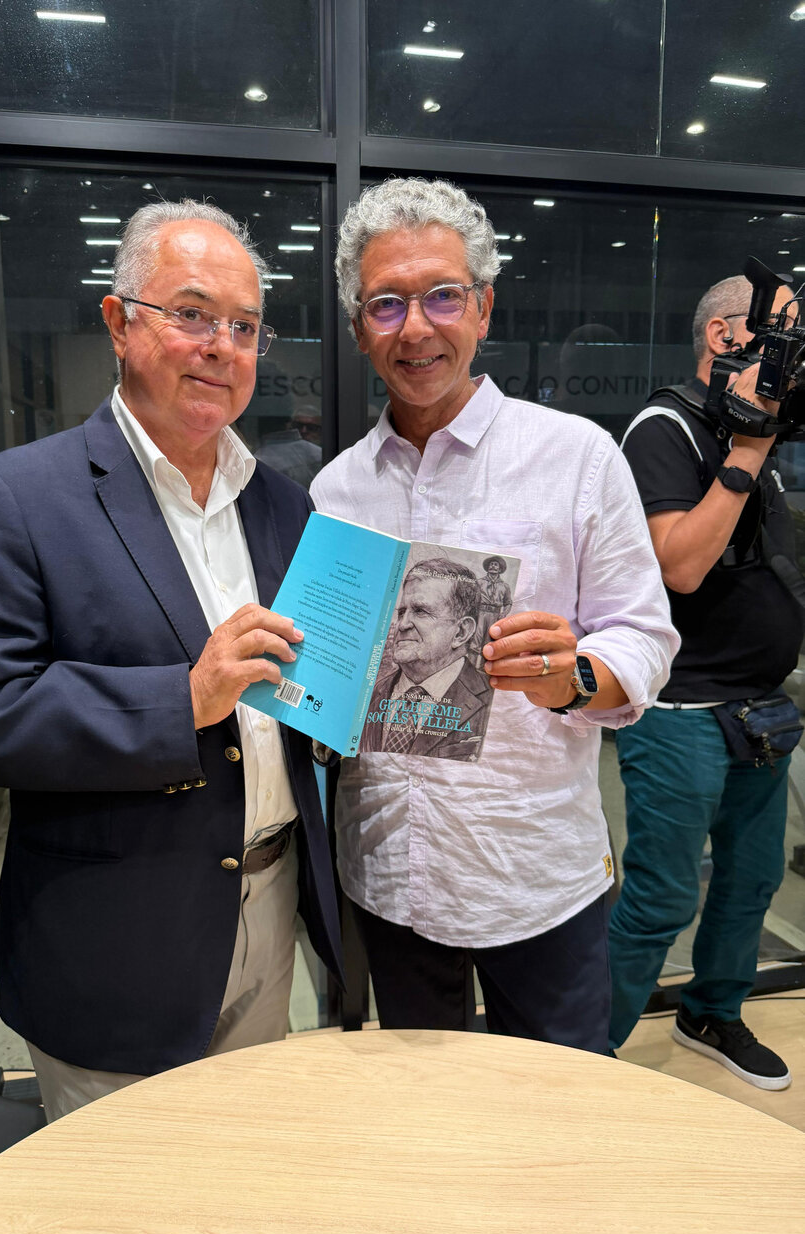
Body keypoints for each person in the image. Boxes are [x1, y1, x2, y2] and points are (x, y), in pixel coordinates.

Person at [0, 199, 342, 1121]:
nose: (220, 346)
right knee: (120, 1200)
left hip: (269, 905)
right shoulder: (14, 498)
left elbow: (297, 696)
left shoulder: (283, 506)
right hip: (112, 941)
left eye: (244, 327)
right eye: (190, 314)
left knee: (241, 1173)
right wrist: (184, 699)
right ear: (119, 323)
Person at [310, 178, 678, 1051]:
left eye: (442, 295)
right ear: (361, 327)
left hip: (534, 877)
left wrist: (576, 675)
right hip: (391, 875)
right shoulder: (336, 490)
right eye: (386, 303)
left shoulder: (576, 457)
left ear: (482, 307)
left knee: (554, 1125)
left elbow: (646, 633)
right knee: (422, 1125)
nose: (417, 325)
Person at [610, 274, 804, 1089]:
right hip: (680, 711)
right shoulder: (665, 428)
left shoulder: (752, 428)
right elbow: (681, 566)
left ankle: (713, 1012)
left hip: (760, 709)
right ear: (727, 338)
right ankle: (584, 1051)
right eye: (786, 335)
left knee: (753, 879)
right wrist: (751, 448)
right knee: (659, 898)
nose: (795, 359)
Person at [360, 557, 493, 760]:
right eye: (402, 612)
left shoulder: (487, 697)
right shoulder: (370, 693)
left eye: (421, 611)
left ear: (461, 632)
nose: (402, 625)